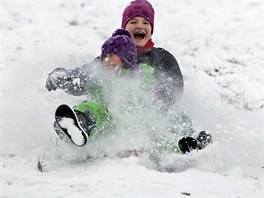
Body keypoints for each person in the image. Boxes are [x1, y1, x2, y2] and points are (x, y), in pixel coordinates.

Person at [46, 29, 210, 154]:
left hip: (136, 121)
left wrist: (160, 94)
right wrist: (63, 77)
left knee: (161, 130)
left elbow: (158, 86)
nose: (107, 59)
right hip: (107, 121)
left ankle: (186, 144)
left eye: (112, 55)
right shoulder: (99, 74)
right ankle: (77, 124)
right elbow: (79, 79)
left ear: (126, 59)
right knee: (92, 107)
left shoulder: (139, 75)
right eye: (105, 55)